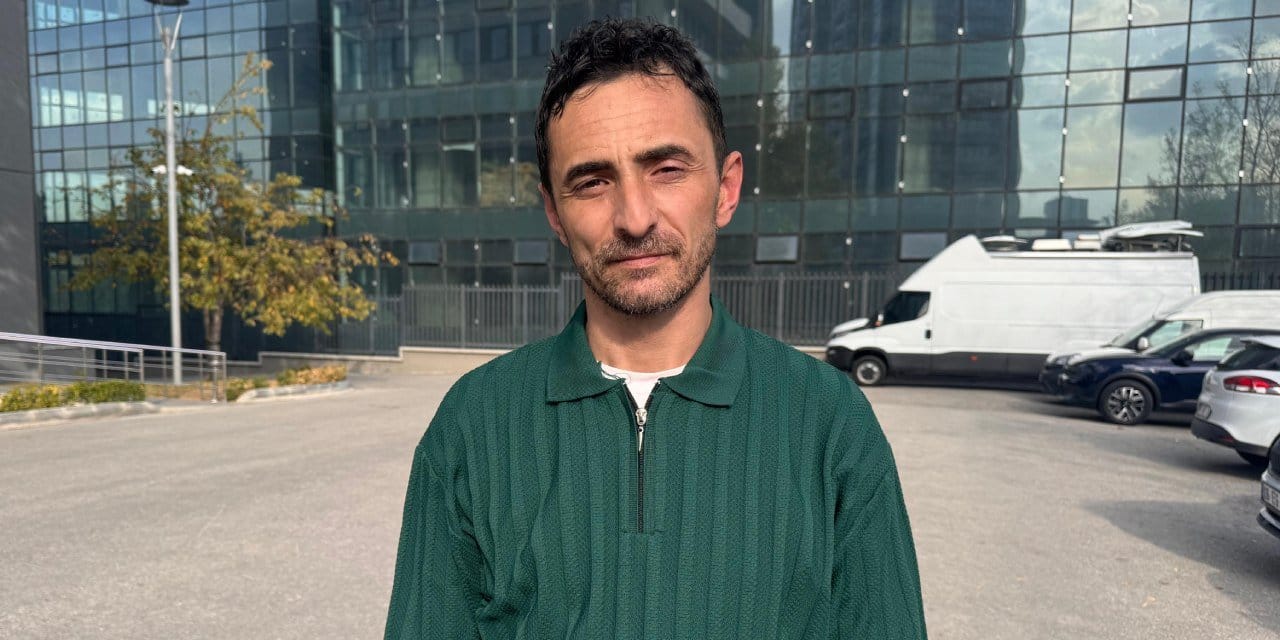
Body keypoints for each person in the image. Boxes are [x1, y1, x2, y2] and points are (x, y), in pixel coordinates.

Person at [383, 18, 926, 639]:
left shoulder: (830, 424)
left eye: (666, 169)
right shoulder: (474, 425)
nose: (634, 218)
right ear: (554, 213)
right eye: (592, 182)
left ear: (725, 189)